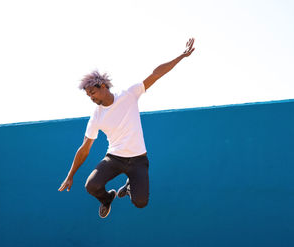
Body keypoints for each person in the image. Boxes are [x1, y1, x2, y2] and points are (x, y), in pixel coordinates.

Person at [58, 38, 195, 218]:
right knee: (91, 185)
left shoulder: (129, 95)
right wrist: (70, 175)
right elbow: (85, 148)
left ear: (104, 86)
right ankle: (107, 199)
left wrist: (181, 56)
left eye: (93, 92)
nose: (91, 97)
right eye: (88, 95)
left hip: (138, 160)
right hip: (114, 158)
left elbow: (156, 74)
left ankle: (130, 186)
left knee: (140, 203)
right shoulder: (96, 116)